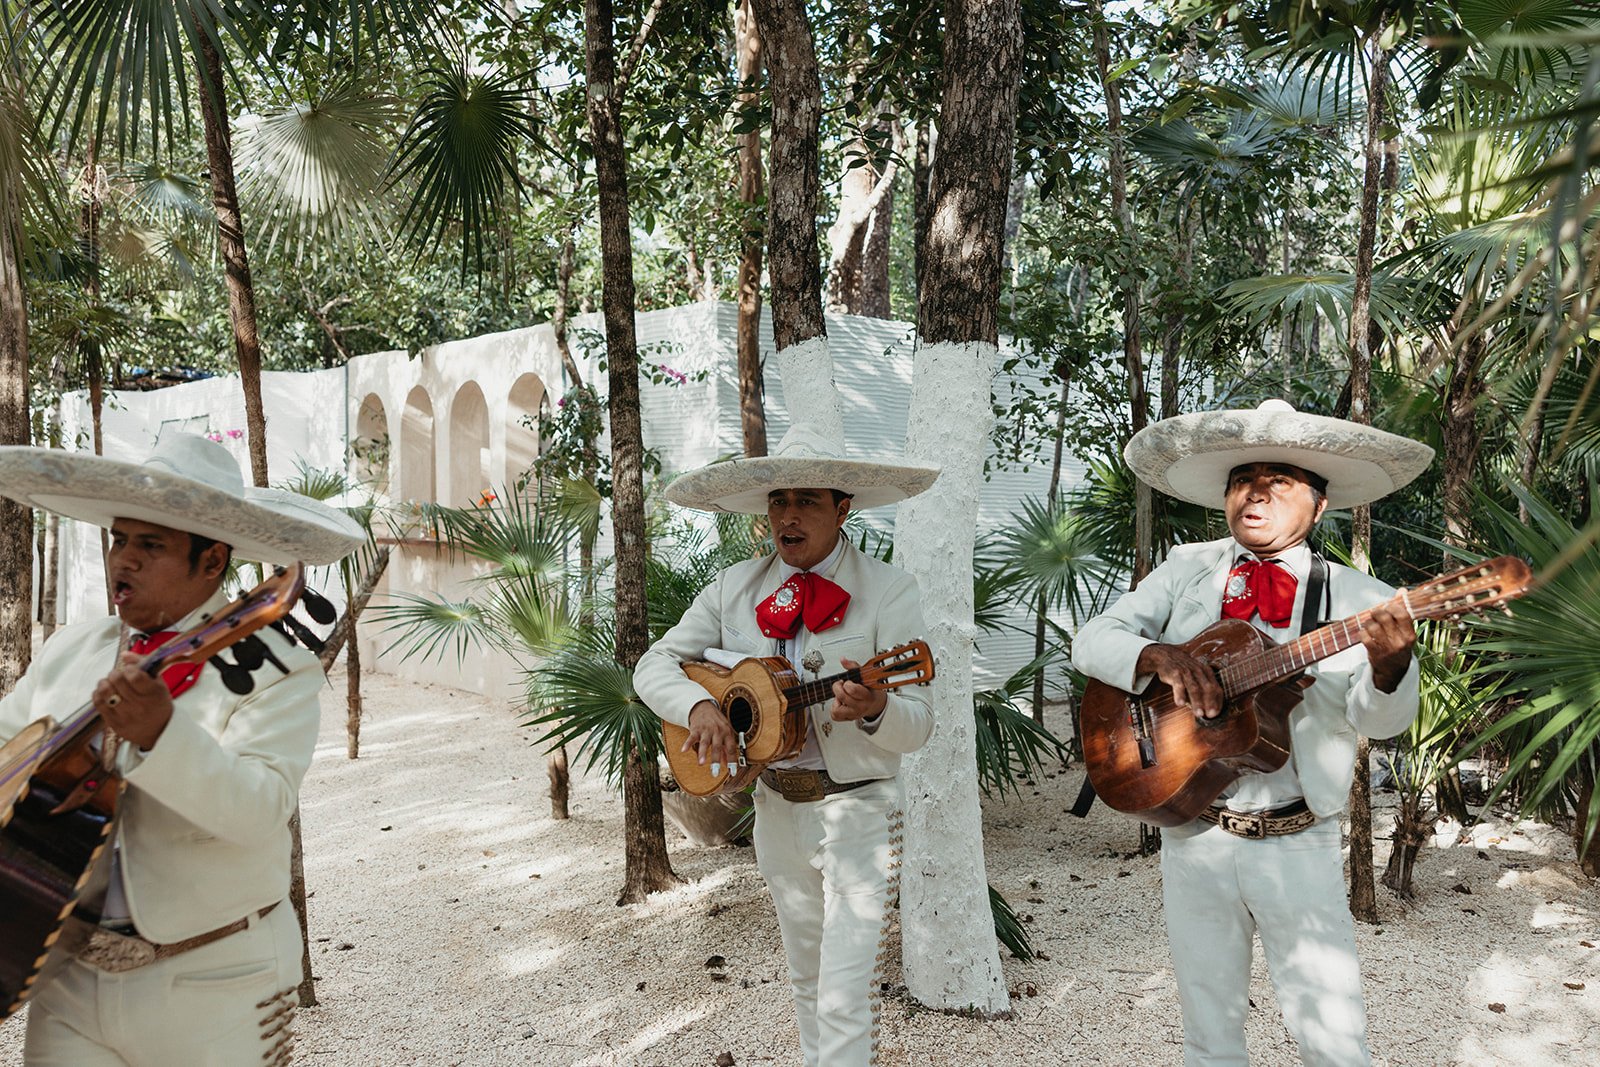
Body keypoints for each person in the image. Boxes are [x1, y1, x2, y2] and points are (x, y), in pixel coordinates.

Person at [1071, 399, 1435, 1067]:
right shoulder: (1189, 567)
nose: (1256, 493)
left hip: (1298, 840)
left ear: (1319, 506)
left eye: (1280, 480)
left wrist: (1391, 667)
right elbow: (1092, 641)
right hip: (1195, 831)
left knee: (1334, 1040)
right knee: (1208, 1034)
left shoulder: (1362, 598)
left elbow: (1382, 722)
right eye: (1244, 479)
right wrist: (1156, 656)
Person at [0, 433, 363, 1066]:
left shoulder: (279, 671)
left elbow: (259, 809)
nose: (124, 560)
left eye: (151, 545)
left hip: (219, 983)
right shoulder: (71, 649)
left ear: (212, 560)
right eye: (119, 539)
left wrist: (163, 736)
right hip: (66, 977)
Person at [634, 424, 940, 1067]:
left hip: (859, 810)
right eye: (779, 501)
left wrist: (878, 709)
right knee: (806, 982)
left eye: (807, 501)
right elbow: (653, 665)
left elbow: (919, 724)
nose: (789, 515)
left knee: (845, 994)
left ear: (843, 508)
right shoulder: (733, 589)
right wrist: (699, 707)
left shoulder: (890, 590)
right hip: (774, 808)